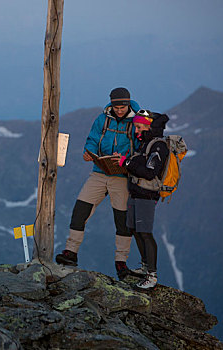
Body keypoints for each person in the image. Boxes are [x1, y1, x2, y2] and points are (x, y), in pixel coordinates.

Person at [55, 87, 139, 280]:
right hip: (99, 172)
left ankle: (121, 262)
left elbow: (140, 148)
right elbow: (92, 139)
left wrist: (125, 158)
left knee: (122, 221)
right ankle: (70, 252)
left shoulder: (135, 122)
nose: (119, 110)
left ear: (128, 103)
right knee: (80, 211)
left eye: (123, 106)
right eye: (116, 106)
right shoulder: (102, 119)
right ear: (111, 104)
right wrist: (88, 152)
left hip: (122, 176)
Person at [112, 109, 169, 290]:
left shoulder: (158, 145)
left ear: (148, 126)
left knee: (145, 232)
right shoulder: (145, 144)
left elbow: (150, 172)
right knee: (135, 230)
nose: (136, 131)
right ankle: (145, 267)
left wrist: (126, 163)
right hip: (136, 193)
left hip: (147, 195)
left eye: (138, 127)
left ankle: (151, 276)